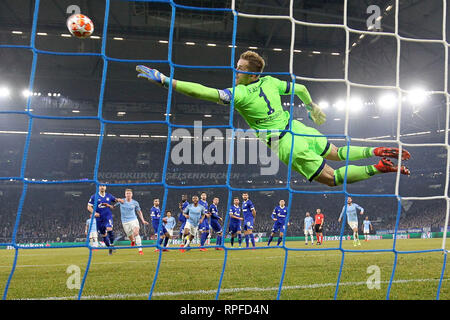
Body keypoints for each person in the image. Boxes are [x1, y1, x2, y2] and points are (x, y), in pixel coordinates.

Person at [136, 51, 411, 188]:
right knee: (337, 153)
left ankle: (379, 167)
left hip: (286, 143)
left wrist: (166, 80)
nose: (236, 71)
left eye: (241, 69)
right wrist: (311, 106)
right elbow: (301, 88)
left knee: (332, 178)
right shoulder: (270, 82)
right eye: (237, 66)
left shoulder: (240, 94)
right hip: (300, 128)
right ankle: (375, 150)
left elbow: (204, 92)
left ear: (252, 74)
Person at [87, 184, 123, 255]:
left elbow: (115, 200)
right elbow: (89, 207)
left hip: (107, 216)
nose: (102, 187)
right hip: (99, 218)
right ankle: (109, 248)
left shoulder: (109, 196)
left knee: (109, 229)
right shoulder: (94, 196)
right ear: (98, 187)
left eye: (103, 186)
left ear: (105, 187)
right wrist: (94, 212)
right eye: (100, 186)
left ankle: (112, 245)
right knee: (103, 235)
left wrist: (119, 200)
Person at [116, 189, 148, 255]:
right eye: (127, 193)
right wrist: (109, 204)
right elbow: (113, 206)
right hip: (125, 222)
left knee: (136, 233)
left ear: (132, 194)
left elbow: (139, 212)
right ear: (125, 195)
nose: (128, 195)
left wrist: (143, 220)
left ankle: (140, 250)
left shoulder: (135, 203)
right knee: (130, 236)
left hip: (134, 220)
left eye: (129, 193)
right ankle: (133, 241)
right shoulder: (121, 201)